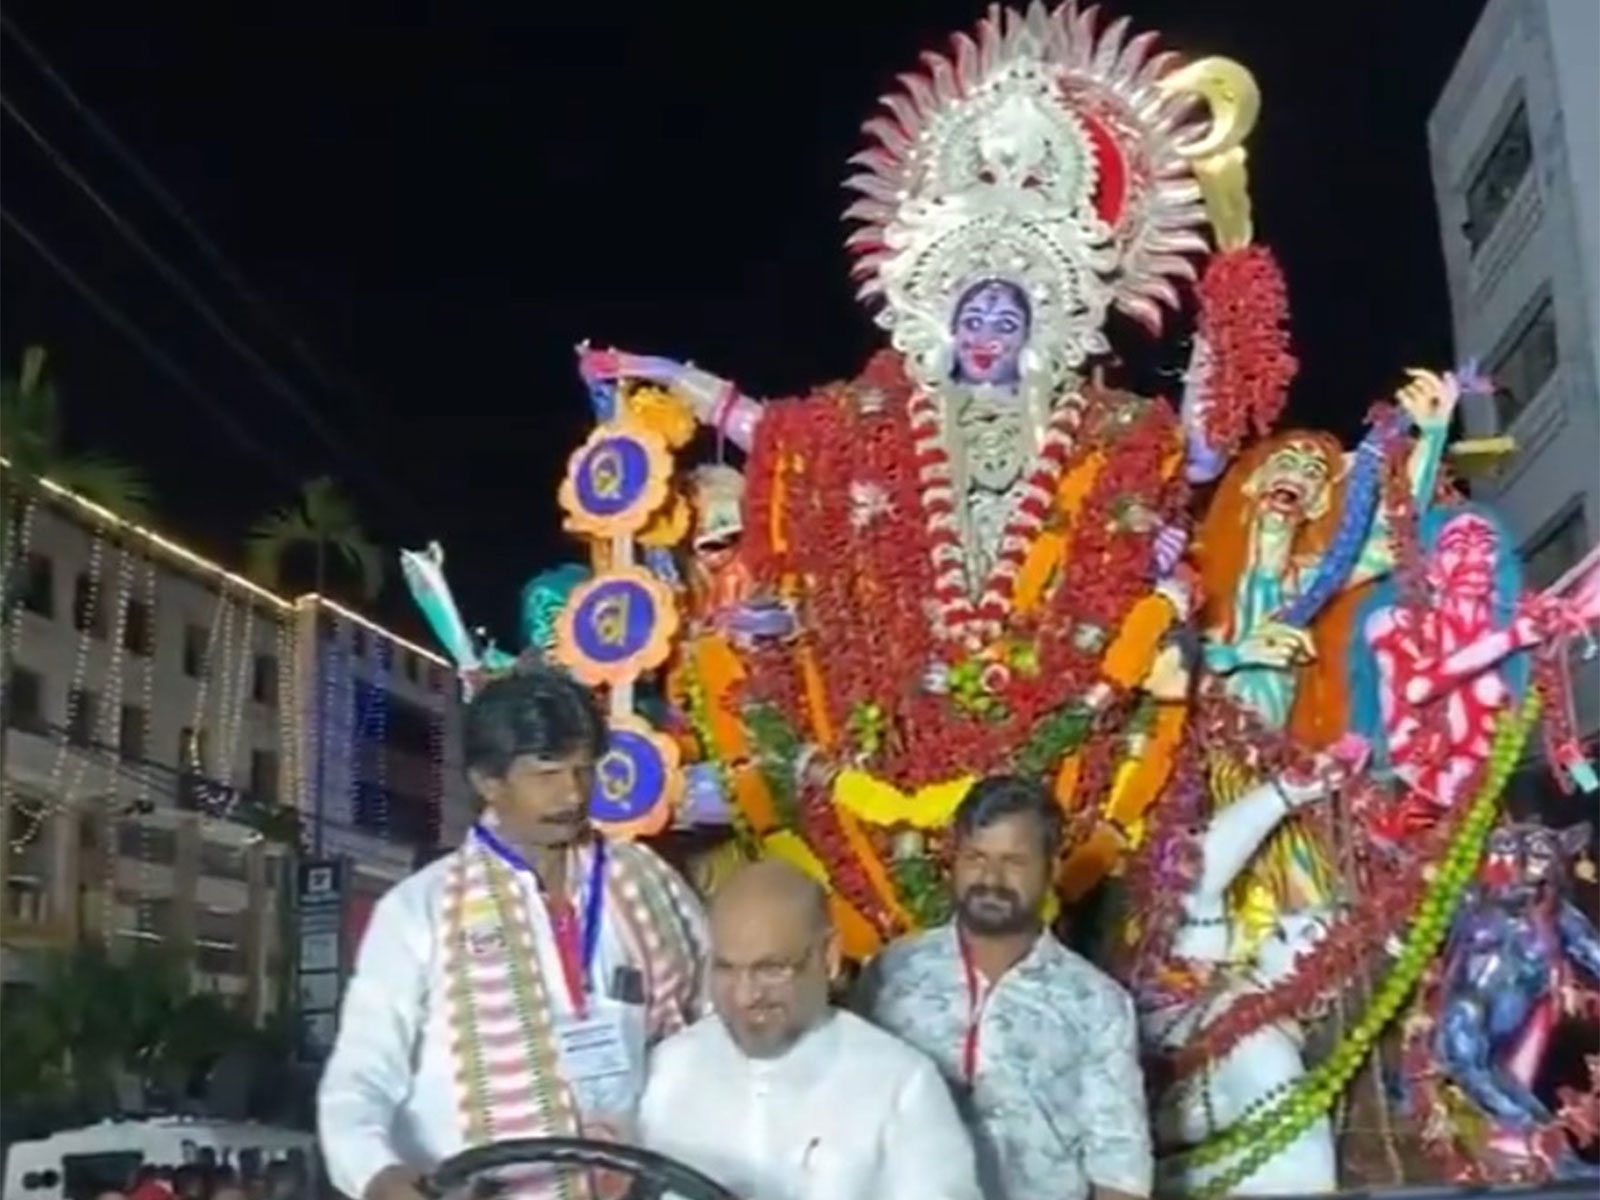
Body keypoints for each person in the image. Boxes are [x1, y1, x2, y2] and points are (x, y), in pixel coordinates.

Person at [318, 666, 710, 1200]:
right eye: (547, 775)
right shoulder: (419, 911)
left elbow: (713, 1026)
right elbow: (359, 1079)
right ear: (488, 782)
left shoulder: (646, 879)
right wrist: (375, 1174)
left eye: (584, 770)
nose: (573, 794)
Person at [859, 775, 1154, 1200]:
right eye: (976, 857)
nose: (991, 879)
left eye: (1014, 861)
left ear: (1051, 868)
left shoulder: (1097, 1004)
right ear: (953, 861)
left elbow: (1120, 1172)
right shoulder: (892, 974)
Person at [638, 860, 982, 1200]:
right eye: (726, 970)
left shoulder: (901, 1086)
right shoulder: (669, 1070)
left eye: (770, 969)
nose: (745, 996)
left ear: (829, 958)